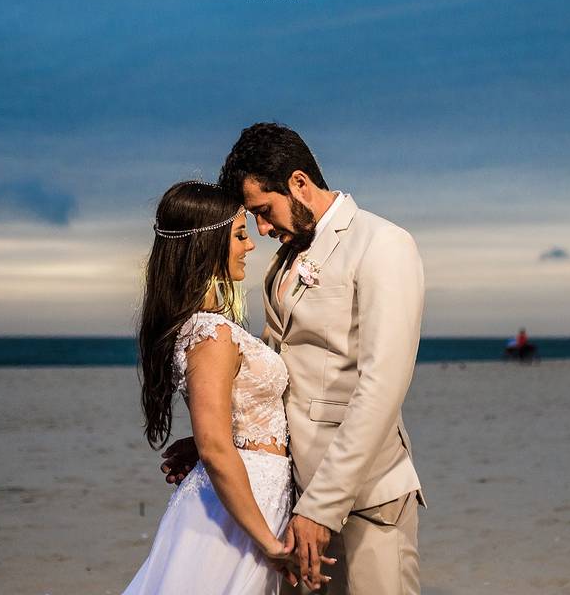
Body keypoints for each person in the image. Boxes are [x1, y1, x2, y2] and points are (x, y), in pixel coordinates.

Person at [163, 123, 426, 594]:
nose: (262, 230)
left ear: (300, 183)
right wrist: (217, 434)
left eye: (264, 211)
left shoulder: (382, 245)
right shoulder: (283, 263)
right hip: (293, 501)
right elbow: (276, 374)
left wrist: (320, 508)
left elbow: (381, 388)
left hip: (364, 499)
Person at [125, 180, 333, 594]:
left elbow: (224, 429)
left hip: (253, 499)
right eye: (239, 234)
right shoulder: (212, 334)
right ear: (208, 244)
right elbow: (217, 449)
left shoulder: (209, 328)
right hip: (237, 514)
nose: (250, 245)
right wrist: (271, 545)